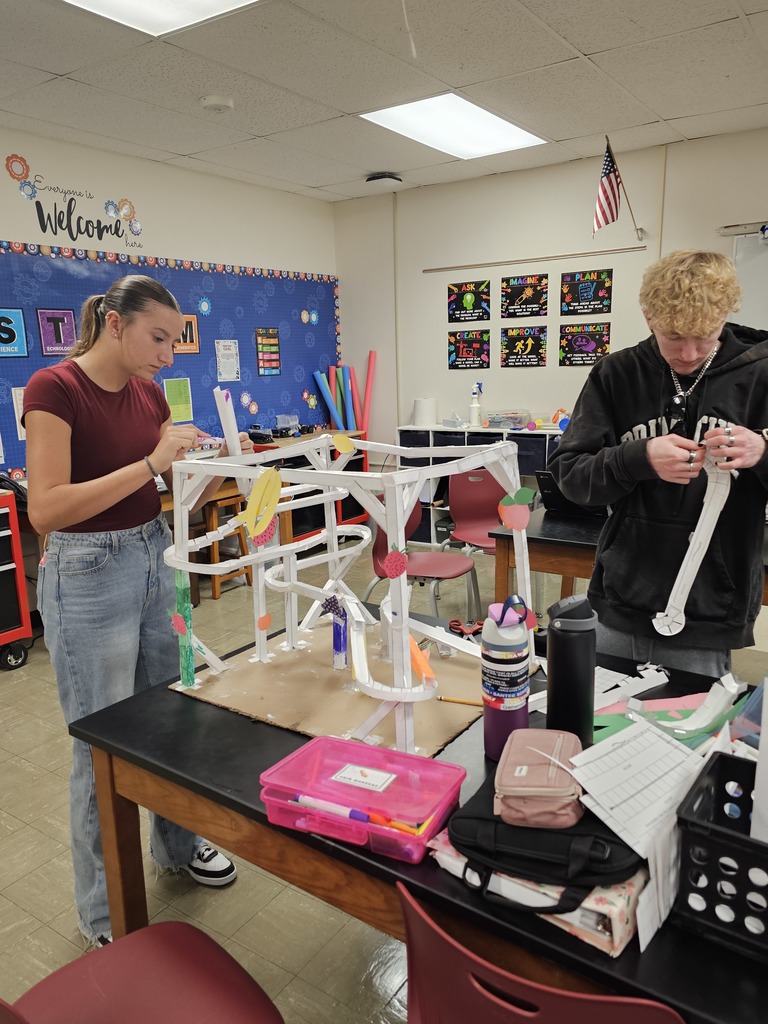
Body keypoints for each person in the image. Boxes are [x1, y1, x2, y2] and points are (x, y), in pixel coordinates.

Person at [22, 275, 253, 948]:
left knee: (174, 714)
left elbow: (159, 482)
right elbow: (48, 508)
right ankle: (105, 909)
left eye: (174, 340)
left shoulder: (149, 394)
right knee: (101, 743)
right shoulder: (54, 390)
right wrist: (154, 461)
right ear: (115, 325)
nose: (168, 355)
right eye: (159, 338)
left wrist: (202, 463)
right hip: (87, 570)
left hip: (155, 555)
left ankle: (177, 849)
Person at [549, 250, 768, 676]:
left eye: (705, 336)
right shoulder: (615, 374)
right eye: (673, 336)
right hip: (621, 595)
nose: (688, 353)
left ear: (725, 316)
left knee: (686, 731)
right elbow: (570, 476)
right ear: (649, 317)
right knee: (601, 724)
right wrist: (638, 458)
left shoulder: (761, 374)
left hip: (710, 605)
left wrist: (762, 452)